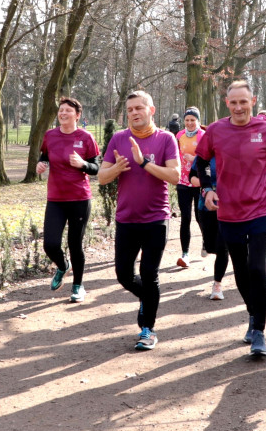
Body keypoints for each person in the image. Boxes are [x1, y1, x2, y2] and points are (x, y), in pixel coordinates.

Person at [191, 80, 266, 357]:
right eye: (233, 102)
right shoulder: (215, 131)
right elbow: (200, 161)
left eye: (243, 101)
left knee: (258, 269)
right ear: (227, 104)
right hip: (228, 212)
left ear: (253, 101)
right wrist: (207, 188)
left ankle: (259, 330)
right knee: (242, 272)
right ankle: (252, 314)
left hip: (260, 209)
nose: (238, 107)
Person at [98, 91, 181, 351]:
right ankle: (148, 299)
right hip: (126, 218)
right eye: (130, 109)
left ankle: (147, 329)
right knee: (123, 274)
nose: (134, 113)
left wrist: (143, 163)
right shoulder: (119, 139)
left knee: (149, 273)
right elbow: (101, 177)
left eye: (139, 108)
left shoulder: (165, 139)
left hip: (156, 218)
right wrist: (116, 169)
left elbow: (175, 176)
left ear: (151, 110)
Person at [36, 97, 101, 303]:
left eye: (68, 111)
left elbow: (96, 168)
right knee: (50, 244)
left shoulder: (86, 137)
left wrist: (83, 164)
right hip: (55, 198)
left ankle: (78, 286)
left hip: (79, 198)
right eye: (61, 110)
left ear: (77, 115)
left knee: (75, 244)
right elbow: (44, 156)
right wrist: (41, 165)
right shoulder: (50, 136)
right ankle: (64, 266)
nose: (63, 113)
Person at [194, 156, 229, 300]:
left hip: (230, 208)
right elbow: (192, 176)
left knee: (223, 247)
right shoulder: (204, 153)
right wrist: (206, 188)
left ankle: (217, 284)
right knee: (210, 247)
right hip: (207, 207)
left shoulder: (235, 149)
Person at [174, 107, 205, 268]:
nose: (190, 123)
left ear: (198, 121)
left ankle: (206, 242)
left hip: (199, 181)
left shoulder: (204, 136)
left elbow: (210, 158)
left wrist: (195, 159)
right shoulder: (179, 135)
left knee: (200, 216)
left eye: (193, 120)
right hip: (182, 182)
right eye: (187, 120)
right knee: (185, 218)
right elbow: (175, 155)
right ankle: (185, 253)